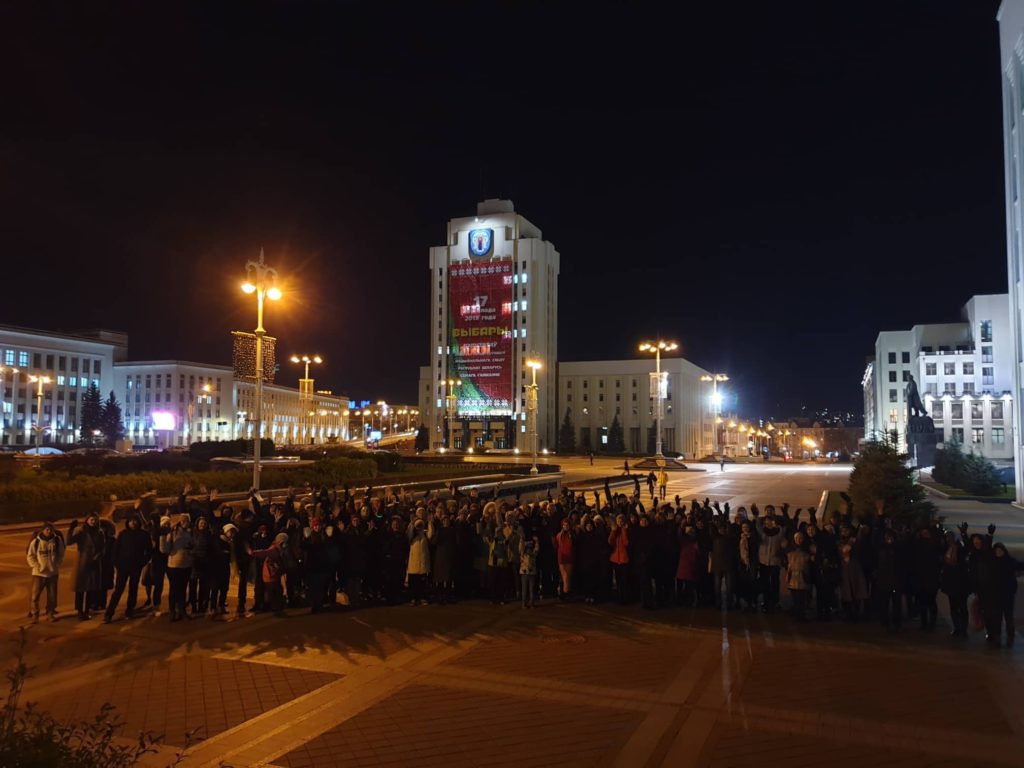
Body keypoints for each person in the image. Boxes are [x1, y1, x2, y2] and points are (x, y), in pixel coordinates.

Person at [103, 513, 152, 623]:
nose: (133, 523)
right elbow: (115, 550)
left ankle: (130, 610)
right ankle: (109, 613)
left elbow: (149, 551)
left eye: (135, 521)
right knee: (118, 589)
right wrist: (116, 563)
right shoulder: (123, 534)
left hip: (136, 566)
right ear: (128, 523)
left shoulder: (144, 535)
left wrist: (142, 562)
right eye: (131, 521)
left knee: (133, 589)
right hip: (123, 566)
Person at [67, 515, 106, 621]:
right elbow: (69, 542)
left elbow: (103, 547)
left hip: (94, 563)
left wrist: (97, 556)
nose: (93, 521)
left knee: (91, 589)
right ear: (87, 520)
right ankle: (80, 611)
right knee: (80, 589)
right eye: (91, 519)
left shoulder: (100, 532)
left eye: (95, 520)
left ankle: (87, 610)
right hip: (82, 562)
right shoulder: (81, 531)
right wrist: (71, 529)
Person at [26, 522, 65, 623]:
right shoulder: (36, 542)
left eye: (50, 529)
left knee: (52, 596)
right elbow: (30, 556)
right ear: (42, 530)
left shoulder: (57, 540)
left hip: (52, 573)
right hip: (38, 574)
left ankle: (50, 613)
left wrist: (56, 565)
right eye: (46, 529)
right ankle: (35, 615)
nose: (49, 531)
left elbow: (61, 554)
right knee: (35, 596)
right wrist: (36, 566)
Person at [161, 514, 194, 622]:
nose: (186, 523)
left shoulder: (189, 532)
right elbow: (165, 549)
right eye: (184, 521)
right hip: (174, 565)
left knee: (183, 589)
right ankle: (172, 611)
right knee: (174, 589)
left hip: (186, 565)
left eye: (187, 521)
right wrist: (162, 537)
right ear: (180, 522)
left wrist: (190, 549)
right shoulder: (173, 533)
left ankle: (182, 611)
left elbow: (192, 545)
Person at [251, 532, 289, 616]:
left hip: (274, 575)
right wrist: (252, 552)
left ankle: (277, 610)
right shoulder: (273, 550)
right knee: (275, 593)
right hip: (270, 575)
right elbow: (263, 553)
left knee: (276, 592)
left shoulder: (278, 549)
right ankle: (277, 611)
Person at [554, 517, 575, 600]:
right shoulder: (559, 535)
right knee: (564, 575)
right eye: (564, 525)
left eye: (567, 525)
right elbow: (557, 544)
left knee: (568, 576)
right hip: (562, 557)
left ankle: (566, 592)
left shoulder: (572, 534)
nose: (566, 526)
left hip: (569, 556)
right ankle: (565, 592)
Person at [520, 535, 539, 608]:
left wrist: (537, 542)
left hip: (530, 573)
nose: (529, 549)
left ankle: (531, 603)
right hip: (525, 572)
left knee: (531, 589)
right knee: (525, 589)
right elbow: (520, 547)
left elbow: (537, 549)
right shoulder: (523, 554)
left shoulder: (533, 554)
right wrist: (521, 540)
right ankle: (524, 603)